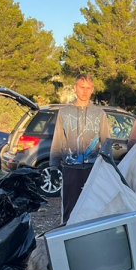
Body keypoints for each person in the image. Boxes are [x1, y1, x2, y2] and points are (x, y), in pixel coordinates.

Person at [49, 73, 111, 223]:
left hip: (93, 170)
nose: (85, 91)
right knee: (70, 210)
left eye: (88, 88)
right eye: (82, 87)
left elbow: (106, 142)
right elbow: (58, 140)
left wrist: (107, 168)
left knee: (93, 210)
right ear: (75, 87)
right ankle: (68, 234)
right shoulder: (64, 113)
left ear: (92, 90)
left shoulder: (99, 113)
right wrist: (53, 167)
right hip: (70, 169)